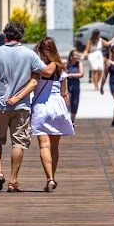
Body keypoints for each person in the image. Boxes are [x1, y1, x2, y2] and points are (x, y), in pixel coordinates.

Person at [0, 20, 45, 192]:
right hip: (22, 106)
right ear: (21, 35)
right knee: (19, 142)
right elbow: (44, 72)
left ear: (5, 34)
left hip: (0, 104)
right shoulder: (30, 55)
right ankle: (12, 181)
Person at [31, 37, 74, 192]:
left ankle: (50, 178)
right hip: (58, 107)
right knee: (54, 147)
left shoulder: (37, 67)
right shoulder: (61, 68)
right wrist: (68, 115)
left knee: (44, 145)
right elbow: (65, 94)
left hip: (41, 106)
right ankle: (52, 178)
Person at [64, 49, 84, 123]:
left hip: (75, 85)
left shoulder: (79, 64)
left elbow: (81, 74)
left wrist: (69, 75)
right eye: (75, 55)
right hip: (67, 86)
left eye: (77, 55)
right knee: (67, 102)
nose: (77, 56)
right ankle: (66, 120)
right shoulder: (66, 64)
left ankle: (72, 120)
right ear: (71, 57)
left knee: (75, 102)